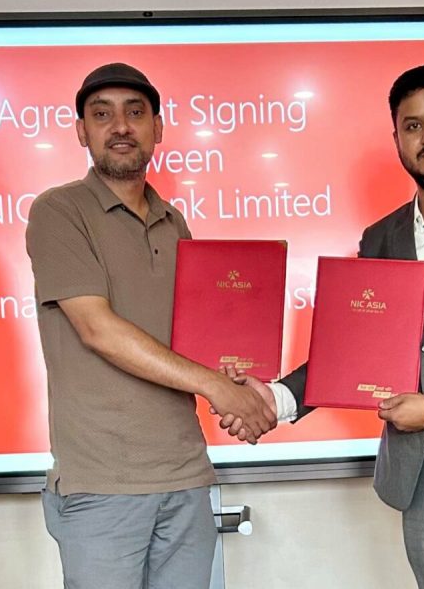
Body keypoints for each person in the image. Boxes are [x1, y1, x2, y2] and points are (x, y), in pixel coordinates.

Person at [226, 64, 424, 588]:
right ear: (397, 138)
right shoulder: (381, 236)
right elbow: (352, 348)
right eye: (413, 126)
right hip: (414, 478)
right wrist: (277, 399)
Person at [25, 62, 276, 589]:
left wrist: (232, 377)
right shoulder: (59, 211)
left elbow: (193, 343)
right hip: (103, 486)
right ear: (81, 131)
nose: (120, 126)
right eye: (102, 115)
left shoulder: (174, 221)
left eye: (135, 113)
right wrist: (215, 387)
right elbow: (98, 330)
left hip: (186, 474)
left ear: (157, 128)